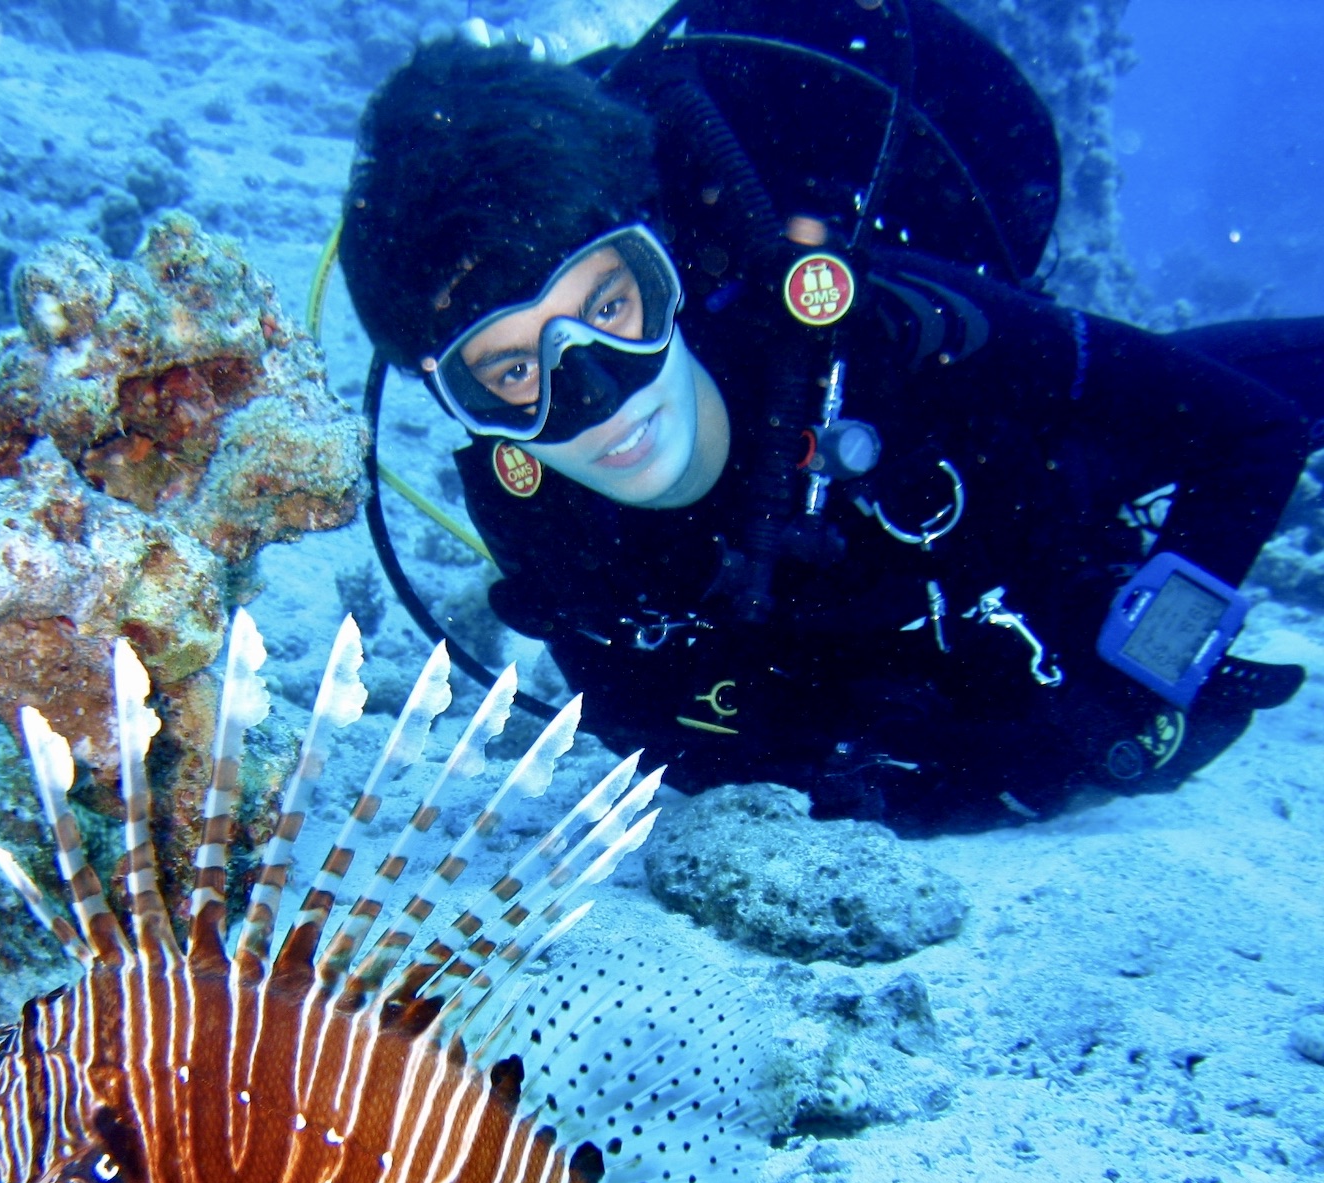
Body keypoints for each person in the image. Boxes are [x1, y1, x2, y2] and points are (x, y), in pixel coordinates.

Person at [337, 0, 1324, 834]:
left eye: (608, 306)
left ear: (666, 264)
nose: (600, 393)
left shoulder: (893, 332)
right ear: (457, 401)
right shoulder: (542, 518)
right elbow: (662, 732)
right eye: (510, 371)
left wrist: (1142, 683)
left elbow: (1256, 431)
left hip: (1040, 484)